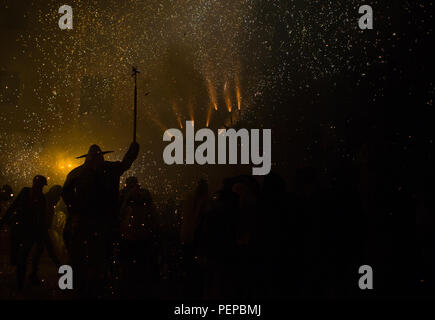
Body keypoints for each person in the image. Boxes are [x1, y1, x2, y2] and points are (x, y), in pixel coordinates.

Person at [61, 142, 139, 297]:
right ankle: (76, 287)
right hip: (91, 221)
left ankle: (87, 287)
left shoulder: (86, 171)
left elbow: (126, 163)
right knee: (81, 256)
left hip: (101, 221)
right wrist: (75, 208)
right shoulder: (85, 172)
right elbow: (66, 193)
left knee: (95, 257)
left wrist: (133, 150)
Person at [0, 175, 48, 291]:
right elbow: (14, 206)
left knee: (22, 257)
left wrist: (4, 220)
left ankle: (19, 284)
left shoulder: (37, 197)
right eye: (39, 185)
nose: (39, 187)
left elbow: (40, 218)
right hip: (21, 229)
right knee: (17, 257)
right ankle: (19, 281)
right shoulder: (30, 194)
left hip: (26, 230)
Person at [29, 185, 63, 284]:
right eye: (58, 195)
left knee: (42, 251)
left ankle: (33, 273)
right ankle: (33, 274)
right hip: (40, 229)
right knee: (44, 251)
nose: (59, 198)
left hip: (41, 229)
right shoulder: (46, 201)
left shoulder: (47, 200)